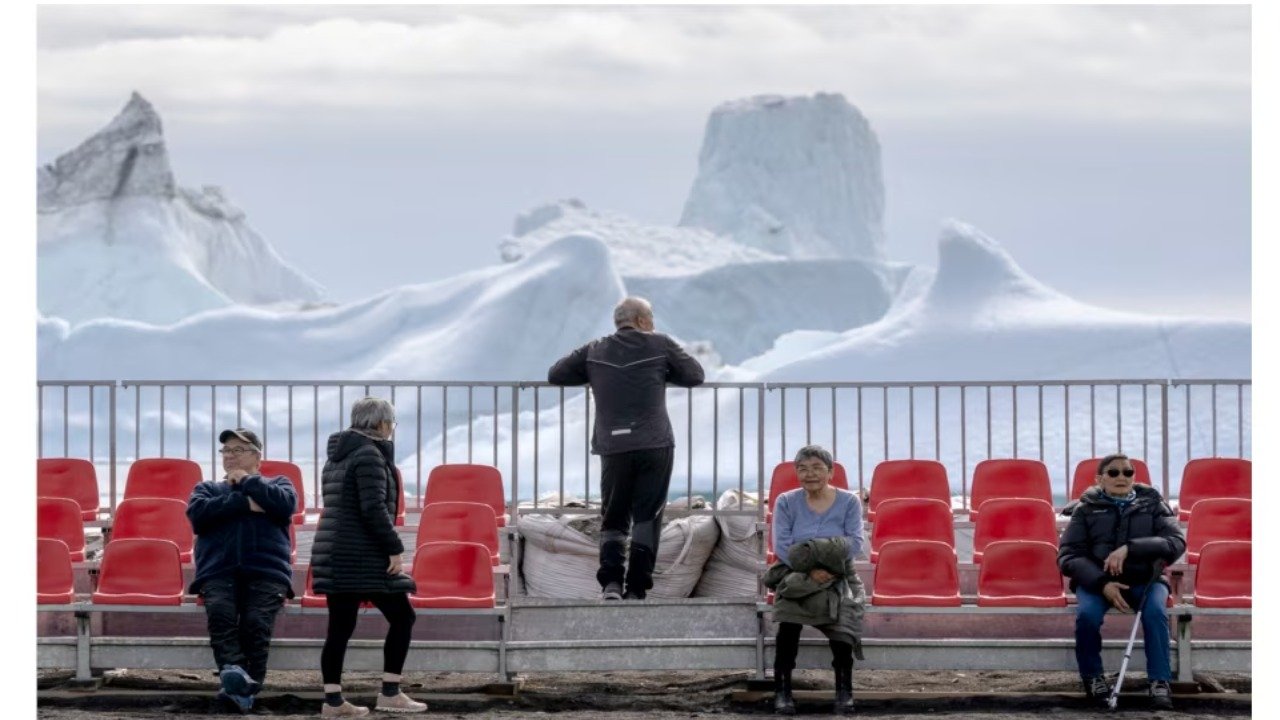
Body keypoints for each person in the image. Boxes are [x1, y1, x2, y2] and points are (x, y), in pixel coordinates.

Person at [547, 296, 705, 600]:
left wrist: (593, 373)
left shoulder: (595, 348)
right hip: (654, 443)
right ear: (643, 321)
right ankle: (636, 589)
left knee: (614, 515)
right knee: (647, 516)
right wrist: (663, 372)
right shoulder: (660, 343)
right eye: (652, 318)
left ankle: (610, 584)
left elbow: (556, 374)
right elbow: (695, 375)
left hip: (614, 445)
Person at [311, 397, 426, 717]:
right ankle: (390, 692)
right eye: (392, 423)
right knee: (403, 616)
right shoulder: (369, 455)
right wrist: (394, 548)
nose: (392, 429)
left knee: (340, 627)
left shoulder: (337, 457)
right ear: (380, 424)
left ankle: (332, 701)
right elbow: (373, 508)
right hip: (360, 554)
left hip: (335, 551)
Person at [1058, 453, 1185, 710]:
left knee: (1156, 613)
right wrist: (1103, 583)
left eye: (1128, 472)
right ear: (1099, 479)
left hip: (1145, 579)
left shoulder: (1153, 504)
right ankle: (1093, 678)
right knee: (1087, 616)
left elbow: (1176, 542)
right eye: (1113, 472)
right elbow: (1068, 555)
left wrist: (1131, 548)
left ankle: (1159, 682)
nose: (1122, 477)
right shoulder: (1085, 509)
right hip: (1097, 583)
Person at [186, 428, 298, 714]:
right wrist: (244, 503)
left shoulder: (279, 484)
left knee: (255, 622)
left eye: (239, 450)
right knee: (221, 615)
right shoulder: (207, 489)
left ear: (257, 457)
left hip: (267, 571)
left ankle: (240, 687)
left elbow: (285, 506)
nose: (231, 456)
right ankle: (238, 679)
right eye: (226, 451)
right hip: (217, 572)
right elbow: (199, 516)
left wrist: (248, 482)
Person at [762, 445, 866, 716]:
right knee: (788, 622)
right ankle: (782, 692)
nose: (810, 474)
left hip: (839, 573)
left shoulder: (849, 502)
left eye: (817, 468)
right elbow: (782, 546)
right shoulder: (786, 501)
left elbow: (855, 543)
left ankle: (845, 692)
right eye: (803, 469)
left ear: (830, 472)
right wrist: (811, 569)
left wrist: (825, 563)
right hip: (796, 572)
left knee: (843, 617)